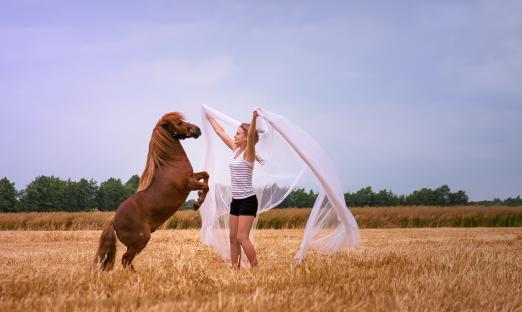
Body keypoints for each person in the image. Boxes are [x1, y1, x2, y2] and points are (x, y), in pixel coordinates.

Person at [206, 110, 261, 268]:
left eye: (238, 134)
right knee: (232, 238)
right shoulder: (235, 150)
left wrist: (253, 118)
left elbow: (251, 137)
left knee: (242, 237)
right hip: (236, 200)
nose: (235, 136)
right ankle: (234, 268)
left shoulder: (248, 154)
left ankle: (256, 267)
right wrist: (209, 116)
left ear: (246, 137)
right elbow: (220, 131)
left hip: (248, 201)